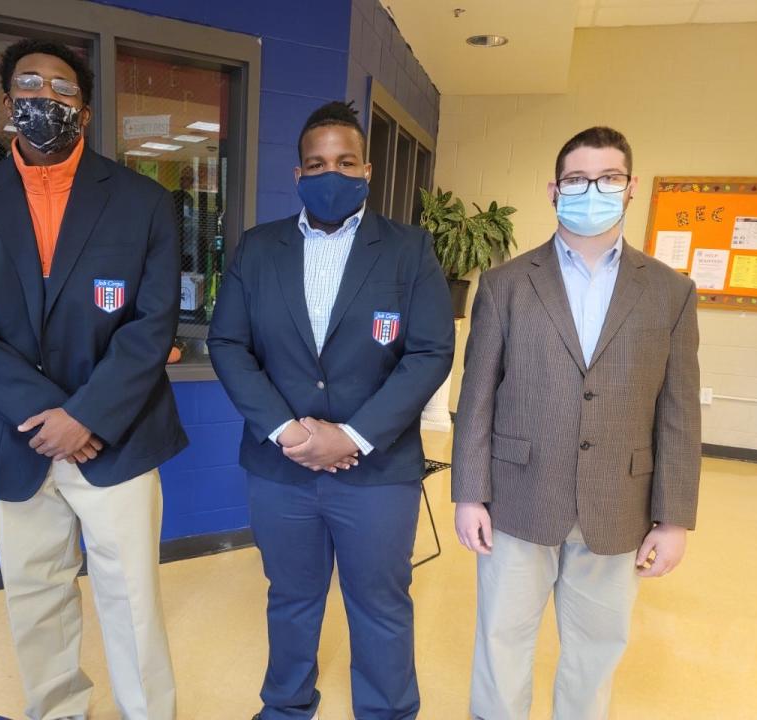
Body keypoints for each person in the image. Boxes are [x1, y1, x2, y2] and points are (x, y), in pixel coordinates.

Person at [0, 39, 186, 720]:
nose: (47, 99)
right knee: (35, 596)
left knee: (131, 599)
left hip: (118, 436)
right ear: (7, 102)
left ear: (86, 111)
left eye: (64, 89)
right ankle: (59, 710)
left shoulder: (146, 203)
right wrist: (50, 418)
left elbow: (152, 324)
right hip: (15, 437)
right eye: (30, 85)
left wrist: (87, 416)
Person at [207, 101, 455, 720]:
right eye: (316, 163)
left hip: (376, 472)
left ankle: (388, 712)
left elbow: (429, 352)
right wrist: (289, 431)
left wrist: (353, 435)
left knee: (380, 601)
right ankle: (287, 706)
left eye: (345, 162)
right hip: (280, 466)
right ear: (297, 174)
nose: (331, 173)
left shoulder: (408, 249)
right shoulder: (257, 249)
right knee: (290, 598)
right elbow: (227, 343)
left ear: (367, 169)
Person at [451, 126, 701, 720]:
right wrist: (468, 494)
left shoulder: (671, 292)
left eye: (608, 178)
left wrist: (674, 518)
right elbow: (477, 394)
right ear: (553, 190)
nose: (593, 190)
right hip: (516, 497)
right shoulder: (507, 284)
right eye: (577, 179)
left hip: (620, 503)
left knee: (595, 652)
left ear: (630, 187)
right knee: (500, 642)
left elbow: (679, 413)